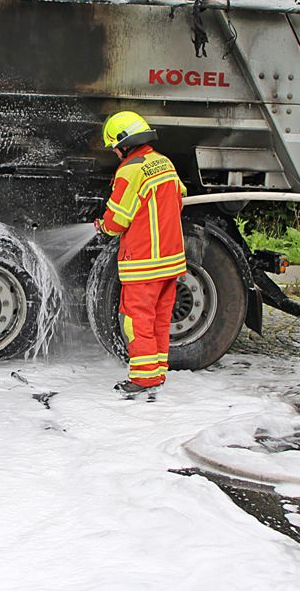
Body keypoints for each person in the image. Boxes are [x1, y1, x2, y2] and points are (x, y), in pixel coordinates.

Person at [94, 111, 187, 400]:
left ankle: (143, 379)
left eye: (114, 147)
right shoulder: (164, 163)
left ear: (123, 143)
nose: (115, 153)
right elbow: (179, 197)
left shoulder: (130, 170)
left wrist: (102, 226)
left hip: (144, 263)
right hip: (171, 260)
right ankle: (157, 371)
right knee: (160, 318)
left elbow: (117, 220)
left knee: (137, 321)